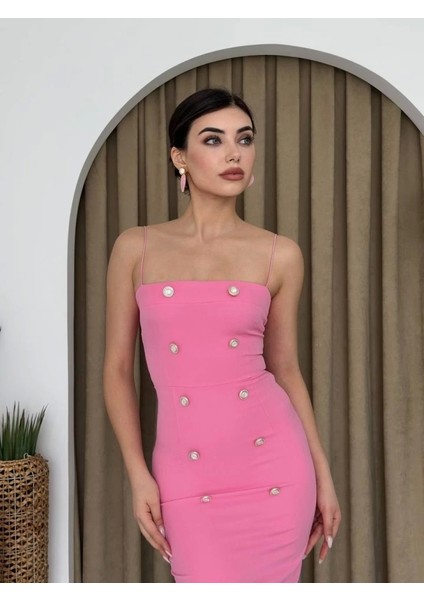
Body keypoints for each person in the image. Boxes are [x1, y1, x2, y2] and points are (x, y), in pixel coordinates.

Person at [103, 88, 341, 583]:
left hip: (275, 471)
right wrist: (137, 475)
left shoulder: (279, 255)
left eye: (244, 139)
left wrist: (323, 475)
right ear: (179, 157)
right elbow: (118, 370)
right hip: (186, 474)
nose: (234, 153)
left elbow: (286, 369)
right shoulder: (135, 249)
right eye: (213, 140)